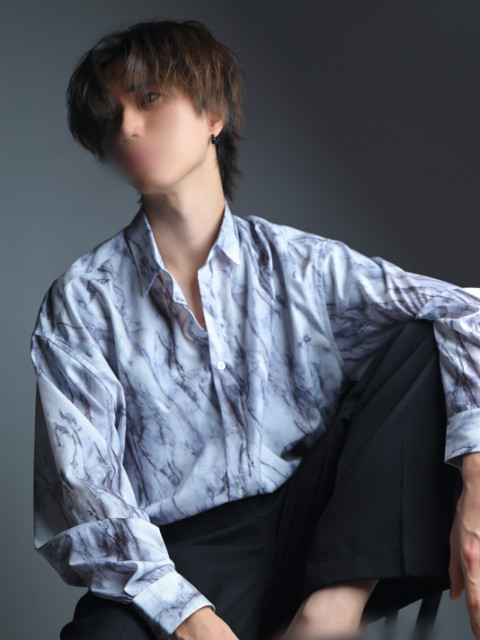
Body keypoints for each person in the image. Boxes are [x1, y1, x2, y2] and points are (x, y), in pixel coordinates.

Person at [29, 18, 480, 640]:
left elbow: (467, 311)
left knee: (427, 335)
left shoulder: (301, 264)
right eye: (112, 115)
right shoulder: (83, 301)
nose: (128, 126)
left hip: (332, 529)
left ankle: (332, 609)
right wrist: (190, 619)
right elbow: (85, 492)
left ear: (213, 114)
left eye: (149, 98)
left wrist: (476, 479)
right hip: (189, 558)